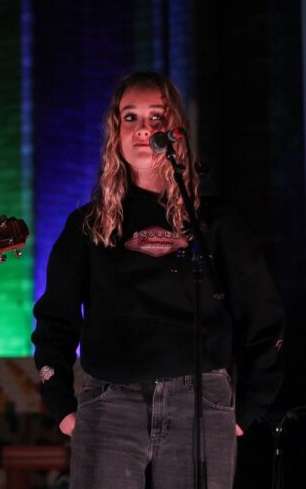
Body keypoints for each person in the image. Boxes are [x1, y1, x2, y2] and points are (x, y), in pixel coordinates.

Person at [31, 70, 285, 489]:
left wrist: (247, 409)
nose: (143, 129)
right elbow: (55, 319)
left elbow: (263, 314)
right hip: (110, 402)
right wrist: (61, 405)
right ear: (115, 131)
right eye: (130, 117)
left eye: (156, 117)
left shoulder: (213, 223)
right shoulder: (88, 226)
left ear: (175, 129)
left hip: (199, 403)